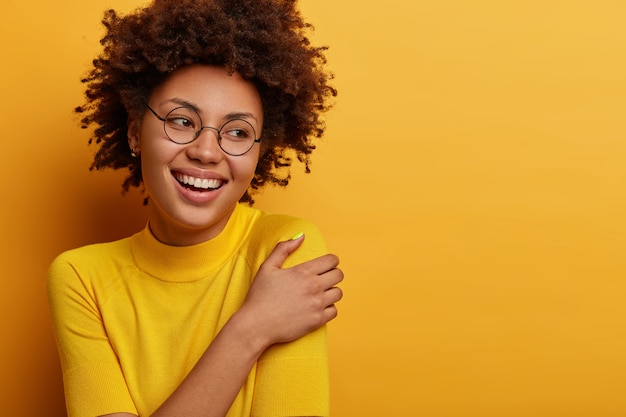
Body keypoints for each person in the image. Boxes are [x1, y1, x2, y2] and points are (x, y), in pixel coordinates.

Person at [47, 0, 343, 416]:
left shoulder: (285, 250)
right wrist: (251, 328)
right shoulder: (81, 278)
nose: (206, 151)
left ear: (260, 152)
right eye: (182, 121)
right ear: (135, 132)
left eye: (238, 132)